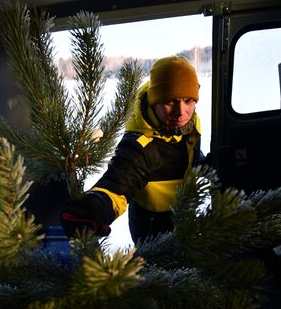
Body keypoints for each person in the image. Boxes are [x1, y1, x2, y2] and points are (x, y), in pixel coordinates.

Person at [60, 55, 205, 243]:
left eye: (188, 100)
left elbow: (186, 153)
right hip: (152, 225)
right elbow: (118, 185)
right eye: (170, 101)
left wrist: (206, 163)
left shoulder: (191, 124)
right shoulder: (140, 143)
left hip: (185, 212)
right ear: (154, 101)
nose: (181, 111)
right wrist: (93, 208)